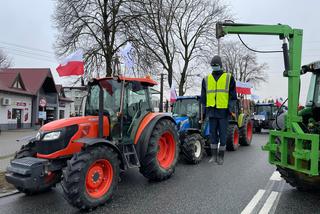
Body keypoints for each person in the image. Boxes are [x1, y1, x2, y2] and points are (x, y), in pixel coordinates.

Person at [200, 55, 237, 165]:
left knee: (223, 134)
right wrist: (204, 111)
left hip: (223, 111)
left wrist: (230, 109)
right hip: (211, 111)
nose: (214, 67)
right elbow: (203, 97)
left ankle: (221, 156)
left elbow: (233, 96)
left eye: (216, 65)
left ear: (220, 65)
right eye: (212, 66)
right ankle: (213, 156)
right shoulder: (206, 79)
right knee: (212, 135)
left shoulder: (228, 77)